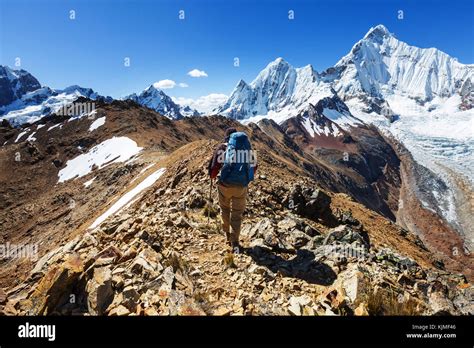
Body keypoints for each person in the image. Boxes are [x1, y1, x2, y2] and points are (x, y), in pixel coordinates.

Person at [208, 127, 257, 252]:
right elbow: (254, 167)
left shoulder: (222, 148)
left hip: (225, 185)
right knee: (237, 214)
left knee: (225, 209)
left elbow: (213, 170)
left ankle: (227, 235)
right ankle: (235, 242)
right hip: (241, 186)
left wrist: (214, 176)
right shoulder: (246, 148)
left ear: (227, 137)